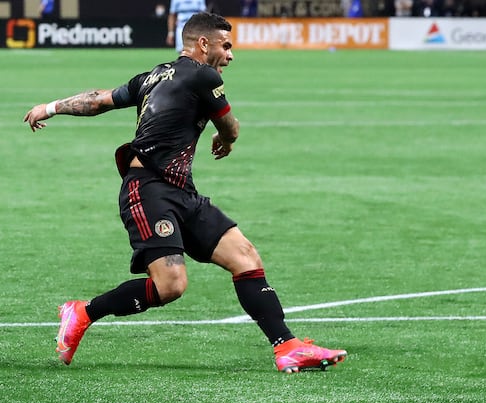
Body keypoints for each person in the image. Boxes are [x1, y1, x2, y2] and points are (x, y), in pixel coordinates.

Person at [22, 12, 347, 373]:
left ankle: (287, 347)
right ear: (203, 44)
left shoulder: (152, 76)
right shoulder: (203, 76)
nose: (230, 55)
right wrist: (225, 139)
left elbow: (99, 100)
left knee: (245, 256)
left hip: (181, 190)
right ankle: (83, 312)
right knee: (171, 285)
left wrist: (49, 107)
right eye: (226, 46)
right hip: (147, 190)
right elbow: (230, 128)